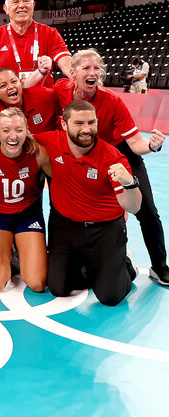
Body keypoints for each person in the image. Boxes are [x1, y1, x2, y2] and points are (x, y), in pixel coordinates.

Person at [53, 49, 169, 284]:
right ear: (73, 72)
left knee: (146, 210)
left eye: (97, 68)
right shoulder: (60, 90)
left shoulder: (112, 101)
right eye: (86, 68)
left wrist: (152, 145)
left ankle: (160, 265)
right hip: (82, 154)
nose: (92, 73)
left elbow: (135, 142)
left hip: (118, 154)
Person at [35, 100, 141, 306]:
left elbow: (134, 207)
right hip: (66, 227)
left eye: (91, 123)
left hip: (105, 229)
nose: (87, 129)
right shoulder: (51, 141)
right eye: (79, 123)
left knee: (110, 297)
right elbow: (18, 137)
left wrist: (130, 183)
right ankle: (93, 266)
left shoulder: (112, 158)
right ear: (64, 125)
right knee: (59, 289)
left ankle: (125, 264)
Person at [0, 108, 52, 293]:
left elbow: (63, 183)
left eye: (19, 130)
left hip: (28, 216)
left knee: (37, 283)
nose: (13, 136)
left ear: (27, 131)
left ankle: (18, 250)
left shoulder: (39, 154)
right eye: (6, 130)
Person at [0, 0, 72, 85]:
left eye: (26, 1)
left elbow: (64, 58)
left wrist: (74, 76)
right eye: (15, 2)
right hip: (4, 99)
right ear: (6, 9)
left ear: (33, 5)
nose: (22, 5)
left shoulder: (49, 33)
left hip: (41, 98)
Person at [0, 66, 59, 133]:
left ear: (21, 83)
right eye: (3, 86)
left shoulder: (43, 95)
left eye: (14, 81)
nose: (11, 87)